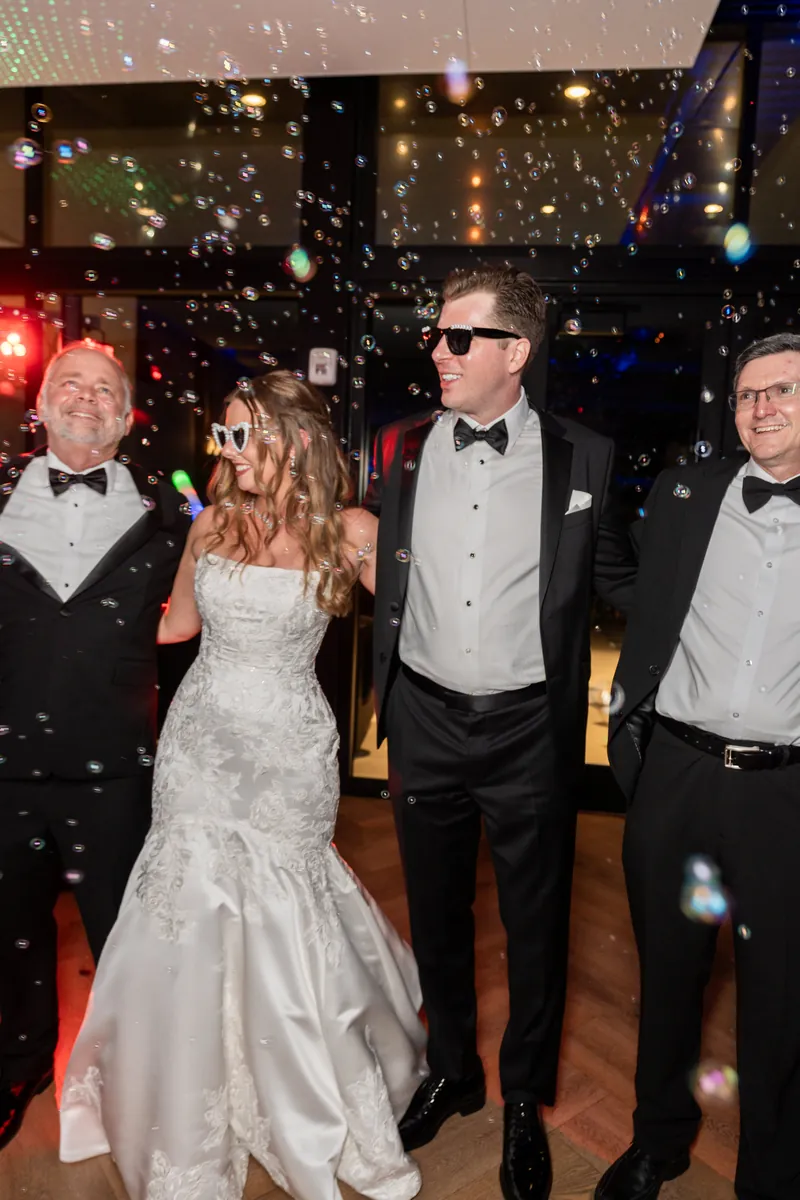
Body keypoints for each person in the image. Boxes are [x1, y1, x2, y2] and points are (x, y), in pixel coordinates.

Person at [59, 371, 427, 1200]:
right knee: (184, 906)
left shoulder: (349, 530)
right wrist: (72, 629)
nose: (229, 451)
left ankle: (303, 1093)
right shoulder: (212, 523)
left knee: (285, 909)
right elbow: (178, 625)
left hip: (288, 749)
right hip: (199, 741)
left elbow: (428, 618)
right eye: (224, 434)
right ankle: (183, 1098)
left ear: (297, 439)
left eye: (245, 433)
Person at [366, 265, 638, 1200]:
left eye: (457, 338)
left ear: (514, 352)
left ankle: (524, 1097)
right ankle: (453, 1069)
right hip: (425, 720)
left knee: (535, 926)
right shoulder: (398, 447)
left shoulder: (583, 459)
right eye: (437, 336)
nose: (436, 351)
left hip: (530, 728)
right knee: (437, 919)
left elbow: (622, 578)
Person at [597, 332, 800, 1200]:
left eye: (782, 390)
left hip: (786, 794)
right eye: (749, 393)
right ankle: (660, 1141)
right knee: (670, 975)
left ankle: (774, 1173)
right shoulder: (689, 493)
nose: (760, 406)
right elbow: (619, 573)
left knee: (782, 999)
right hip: (675, 775)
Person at [0, 341, 189, 1152]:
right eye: (67, 383)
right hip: (4, 763)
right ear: (39, 402)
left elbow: (187, 625)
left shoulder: (166, 518)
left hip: (116, 770)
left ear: (125, 413)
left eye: (102, 388)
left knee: (124, 935)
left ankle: (122, 1075)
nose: (85, 397)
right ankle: (19, 1065)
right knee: (9, 928)